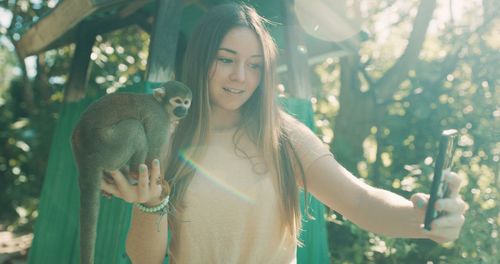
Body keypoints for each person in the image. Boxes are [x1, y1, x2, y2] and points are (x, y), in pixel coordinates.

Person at [101, 3, 468, 264]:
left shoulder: (283, 135)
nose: (240, 77)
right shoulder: (165, 139)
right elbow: (144, 258)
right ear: (201, 60)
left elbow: (360, 202)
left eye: (255, 65)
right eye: (226, 59)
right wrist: (150, 203)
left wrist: (425, 220)